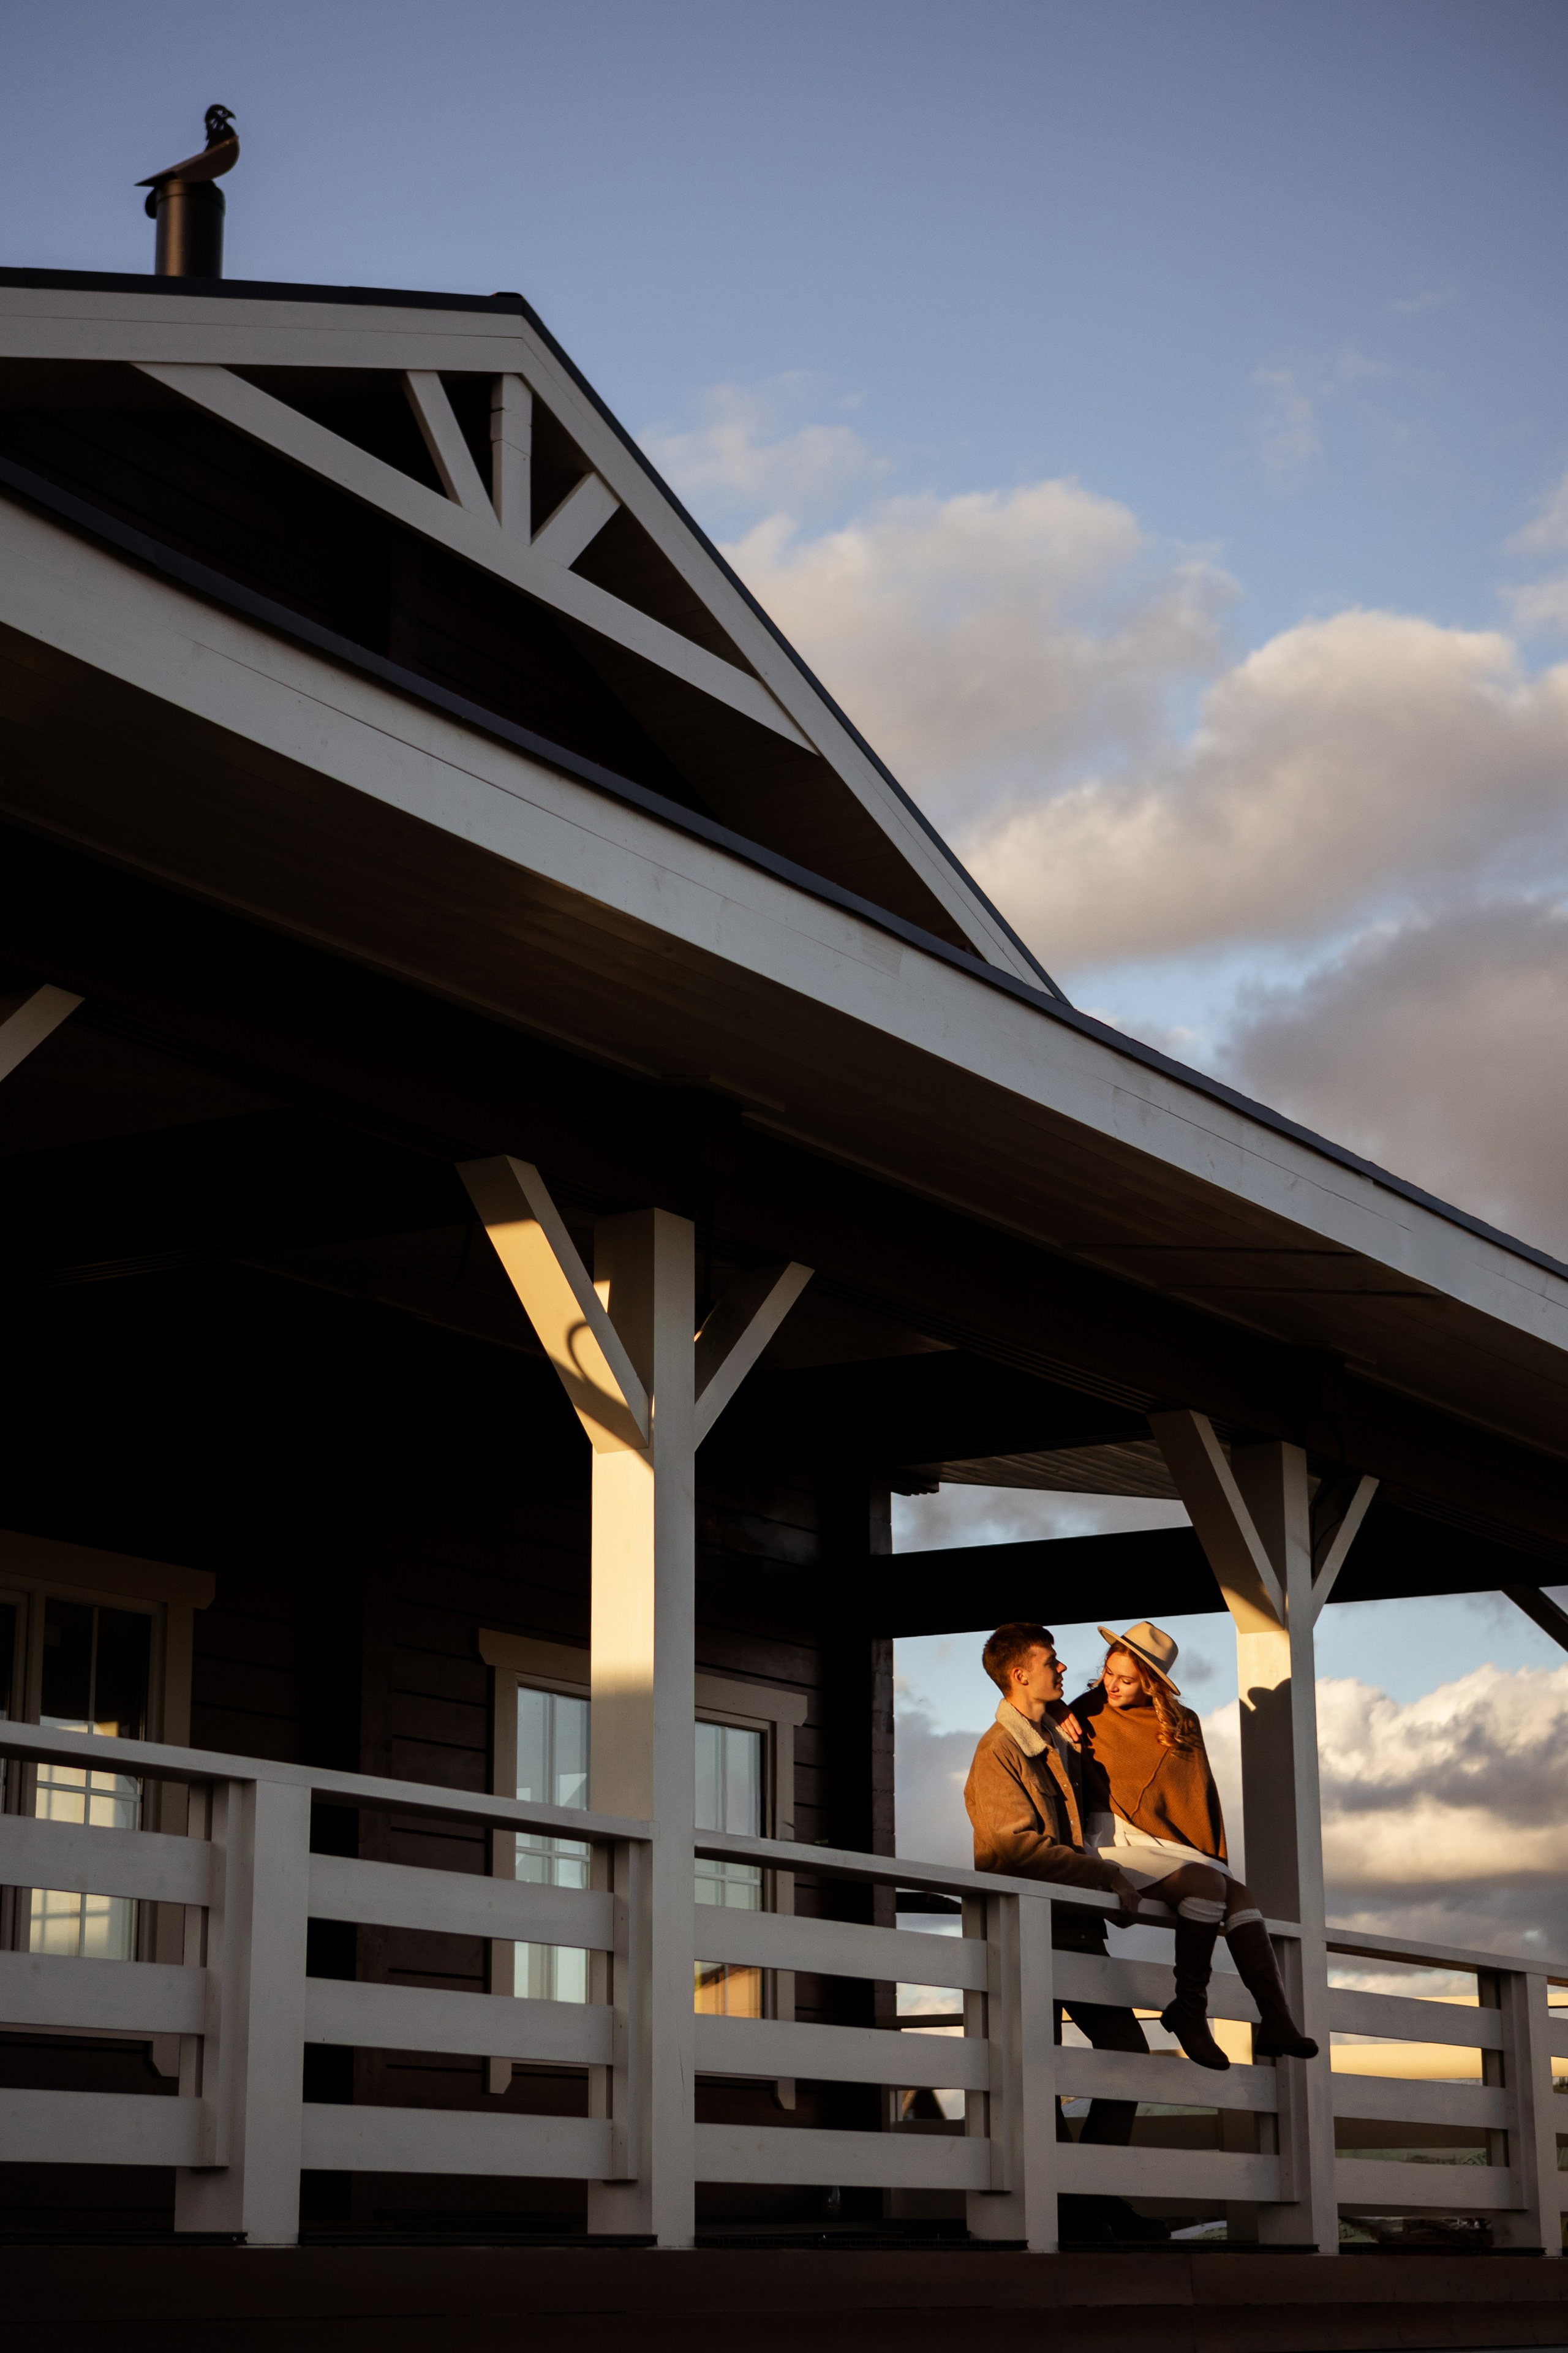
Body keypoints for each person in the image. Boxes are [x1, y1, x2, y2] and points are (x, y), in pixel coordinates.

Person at [963, 1620, 1164, 2244]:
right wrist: (1104, 1875)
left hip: (1074, 1931)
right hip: (1028, 1931)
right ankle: (1066, 2210)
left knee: (1127, 2058)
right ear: (1019, 1673)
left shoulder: (1058, 1739)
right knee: (1037, 2074)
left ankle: (1089, 2195)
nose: (1061, 1667)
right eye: (1050, 1660)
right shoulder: (997, 1751)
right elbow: (1013, 1846)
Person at [1068, 1622, 1317, 2070]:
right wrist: (1053, 1713)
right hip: (1111, 1838)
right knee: (1206, 1886)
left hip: (1168, 1842)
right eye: (1109, 1673)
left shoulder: (1183, 1723)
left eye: (1126, 1679)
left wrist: (1206, 1852)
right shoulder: (1085, 1709)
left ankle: (1276, 2017)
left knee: (1240, 1894)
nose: (1113, 1685)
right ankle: (1190, 2009)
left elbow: (1195, 1798)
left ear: (1152, 1682)